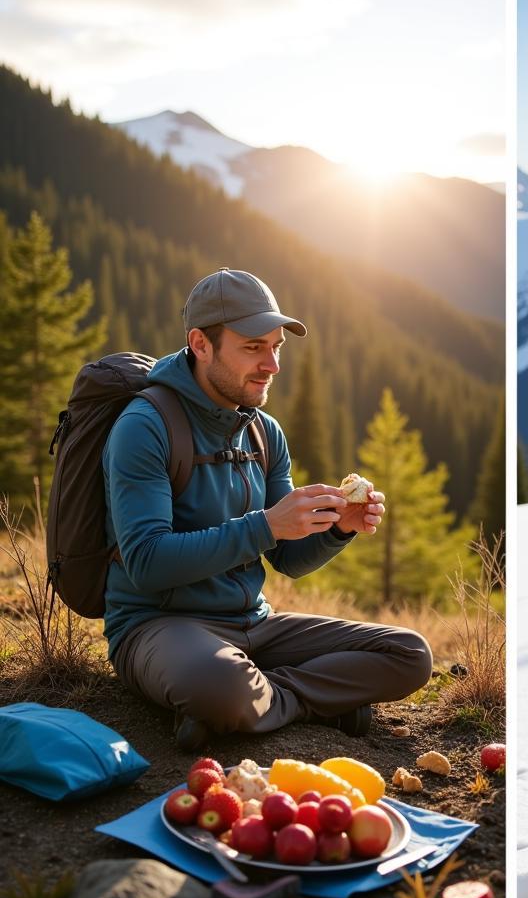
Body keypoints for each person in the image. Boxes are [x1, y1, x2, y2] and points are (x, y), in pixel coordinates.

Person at [103, 268, 433, 751]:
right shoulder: (145, 426)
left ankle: (261, 702)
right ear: (201, 344)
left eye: (276, 346)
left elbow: (288, 560)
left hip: (254, 626)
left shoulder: (263, 432)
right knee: (217, 682)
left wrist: (337, 529)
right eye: (253, 347)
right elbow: (148, 563)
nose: (272, 364)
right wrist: (265, 525)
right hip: (156, 626)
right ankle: (283, 699)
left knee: (409, 653)